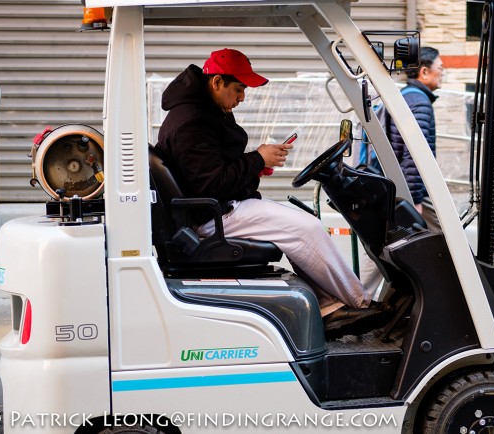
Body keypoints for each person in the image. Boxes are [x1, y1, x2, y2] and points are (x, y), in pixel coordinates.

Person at [156, 48, 378, 331]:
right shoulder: (193, 122)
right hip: (211, 216)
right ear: (216, 82)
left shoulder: (205, 112)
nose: (242, 97)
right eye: (238, 89)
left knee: (297, 225)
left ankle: (328, 305)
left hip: (216, 207)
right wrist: (257, 159)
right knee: (306, 228)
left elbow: (212, 169)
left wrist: (255, 166)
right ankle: (360, 305)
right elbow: (210, 183)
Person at [386, 46, 444, 231]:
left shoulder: (405, 96)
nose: (442, 73)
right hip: (413, 190)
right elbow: (414, 156)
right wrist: (414, 200)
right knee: (448, 242)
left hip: (399, 185)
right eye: (440, 68)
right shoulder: (419, 102)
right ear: (424, 71)